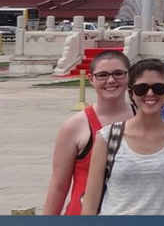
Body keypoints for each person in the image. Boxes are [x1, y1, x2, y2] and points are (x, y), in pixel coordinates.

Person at [80, 59, 164, 215]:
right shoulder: (108, 137)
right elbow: (91, 203)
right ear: (131, 92)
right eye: (141, 89)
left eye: (158, 88)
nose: (150, 94)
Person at [44, 50, 134, 215]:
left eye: (118, 74)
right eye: (102, 75)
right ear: (90, 79)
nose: (111, 80)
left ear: (129, 76)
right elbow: (59, 185)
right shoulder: (75, 126)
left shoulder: (144, 118)